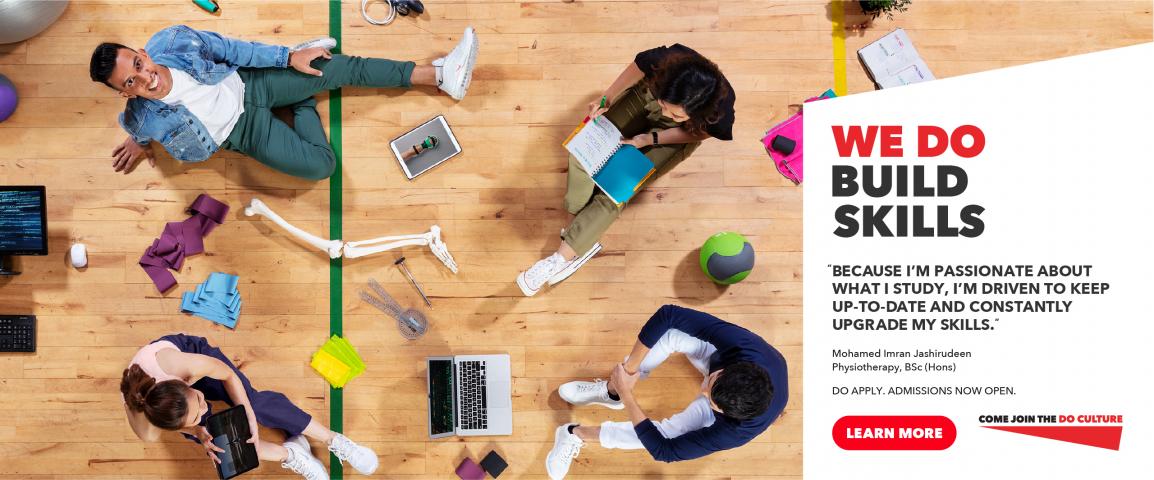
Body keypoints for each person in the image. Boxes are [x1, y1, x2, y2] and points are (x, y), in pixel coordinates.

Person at [88, 24, 478, 180]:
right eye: (132, 81)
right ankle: (303, 100)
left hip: (251, 84)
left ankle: (438, 75)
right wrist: (138, 141)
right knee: (322, 167)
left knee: (340, 67)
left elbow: (233, 49)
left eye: (138, 64)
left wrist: (287, 58)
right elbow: (140, 128)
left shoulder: (175, 42)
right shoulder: (140, 118)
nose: (146, 77)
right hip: (244, 135)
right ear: (126, 92)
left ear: (143, 53)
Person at [515, 44, 735, 296]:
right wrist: (606, 98)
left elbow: (698, 133)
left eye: (675, 114)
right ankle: (575, 229)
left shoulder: (719, 116)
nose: (666, 113)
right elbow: (638, 65)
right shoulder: (665, 60)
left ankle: (561, 258)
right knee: (582, 154)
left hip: (679, 134)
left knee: (615, 190)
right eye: (665, 105)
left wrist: (649, 139)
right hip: (645, 97)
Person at [544, 305, 787, 479]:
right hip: (718, 358)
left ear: (725, 414)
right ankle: (612, 390)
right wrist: (626, 375)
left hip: (728, 402)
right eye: (710, 381)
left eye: (711, 400)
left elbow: (664, 451)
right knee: (673, 334)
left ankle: (574, 434)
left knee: (667, 435)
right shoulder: (746, 347)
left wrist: (629, 397)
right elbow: (669, 314)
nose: (702, 389)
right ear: (729, 369)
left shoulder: (734, 432)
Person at [121, 334, 376, 480]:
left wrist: (249, 415)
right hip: (175, 403)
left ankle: (334, 439)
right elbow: (176, 425)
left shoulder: (185, 365)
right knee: (217, 442)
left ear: (185, 383)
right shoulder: (147, 426)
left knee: (256, 404)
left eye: (199, 400)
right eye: (197, 415)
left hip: (192, 354)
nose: (205, 408)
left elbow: (227, 374)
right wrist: (198, 431)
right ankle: (293, 454)